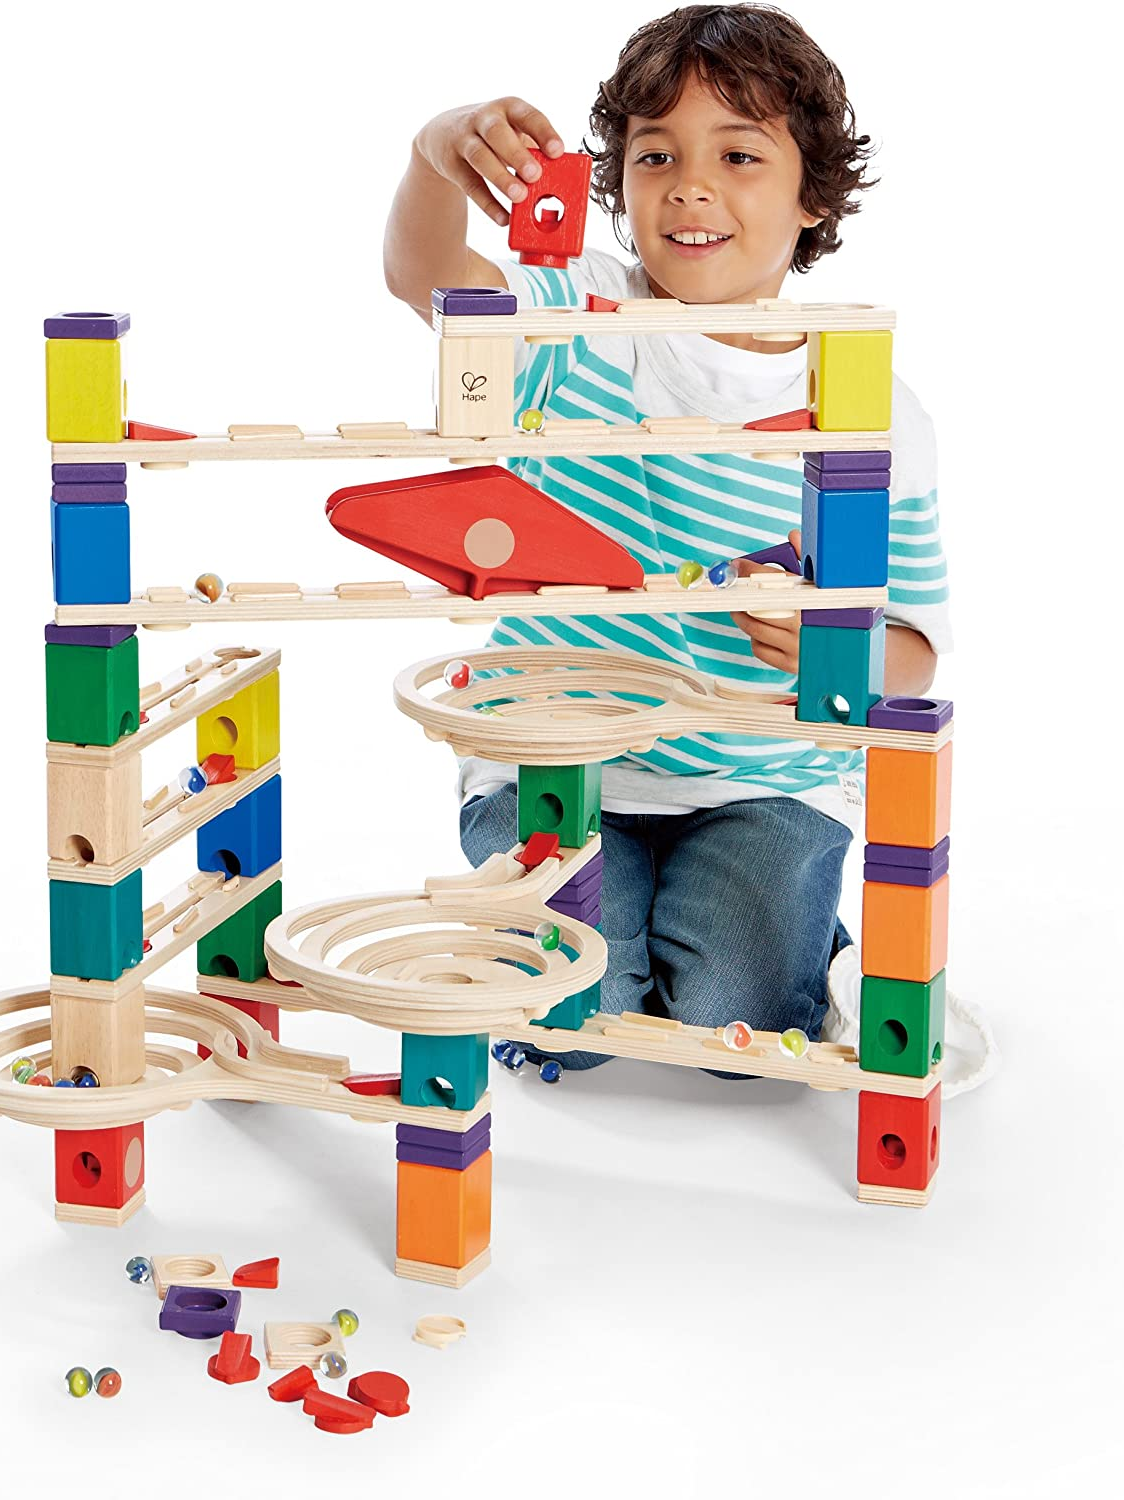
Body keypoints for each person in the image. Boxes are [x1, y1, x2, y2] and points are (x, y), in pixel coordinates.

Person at [382, 3, 951, 1069]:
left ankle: (783, 940)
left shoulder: (870, 403)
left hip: (758, 776)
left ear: (813, 195)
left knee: (736, 1022)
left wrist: (843, 651)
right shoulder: (578, 313)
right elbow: (425, 276)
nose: (689, 186)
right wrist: (431, 149)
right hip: (551, 754)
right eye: (656, 156)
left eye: (739, 155)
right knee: (570, 1027)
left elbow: (916, 641)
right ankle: (602, 938)